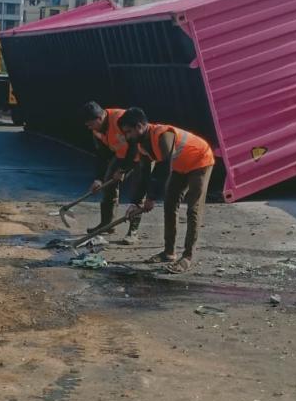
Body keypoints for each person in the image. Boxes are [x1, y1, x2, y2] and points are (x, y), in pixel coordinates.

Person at [118, 107, 215, 274]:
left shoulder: (163, 135)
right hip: (181, 166)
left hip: (200, 160)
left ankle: (187, 257)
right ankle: (169, 252)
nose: (127, 137)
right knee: (170, 205)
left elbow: (163, 167)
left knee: (193, 209)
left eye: (129, 132)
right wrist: (135, 202)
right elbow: (144, 175)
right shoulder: (141, 145)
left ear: (140, 126)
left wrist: (152, 197)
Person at [80, 101, 147, 243]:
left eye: (90, 124)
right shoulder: (96, 130)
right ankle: (107, 224)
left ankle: (132, 232)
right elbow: (102, 155)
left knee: (137, 192)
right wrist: (99, 179)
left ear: (99, 118)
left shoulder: (120, 119)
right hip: (121, 156)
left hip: (141, 156)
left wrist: (123, 170)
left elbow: (134, 144)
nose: (89, 128)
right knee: (108, 183)